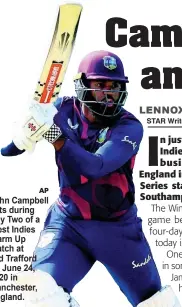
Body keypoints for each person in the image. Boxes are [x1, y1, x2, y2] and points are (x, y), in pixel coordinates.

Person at [1, 50, 181, 307]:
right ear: (82, 86)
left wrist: (52, 134)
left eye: (115, 87)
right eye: (100, 86)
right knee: (38, 293)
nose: (108, 95)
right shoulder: (60, 110)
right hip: (69, 225)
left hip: (118, 231)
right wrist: (24, 132)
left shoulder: (129, 127)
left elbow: (96, 166)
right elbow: (11, 149)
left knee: (159, 304)